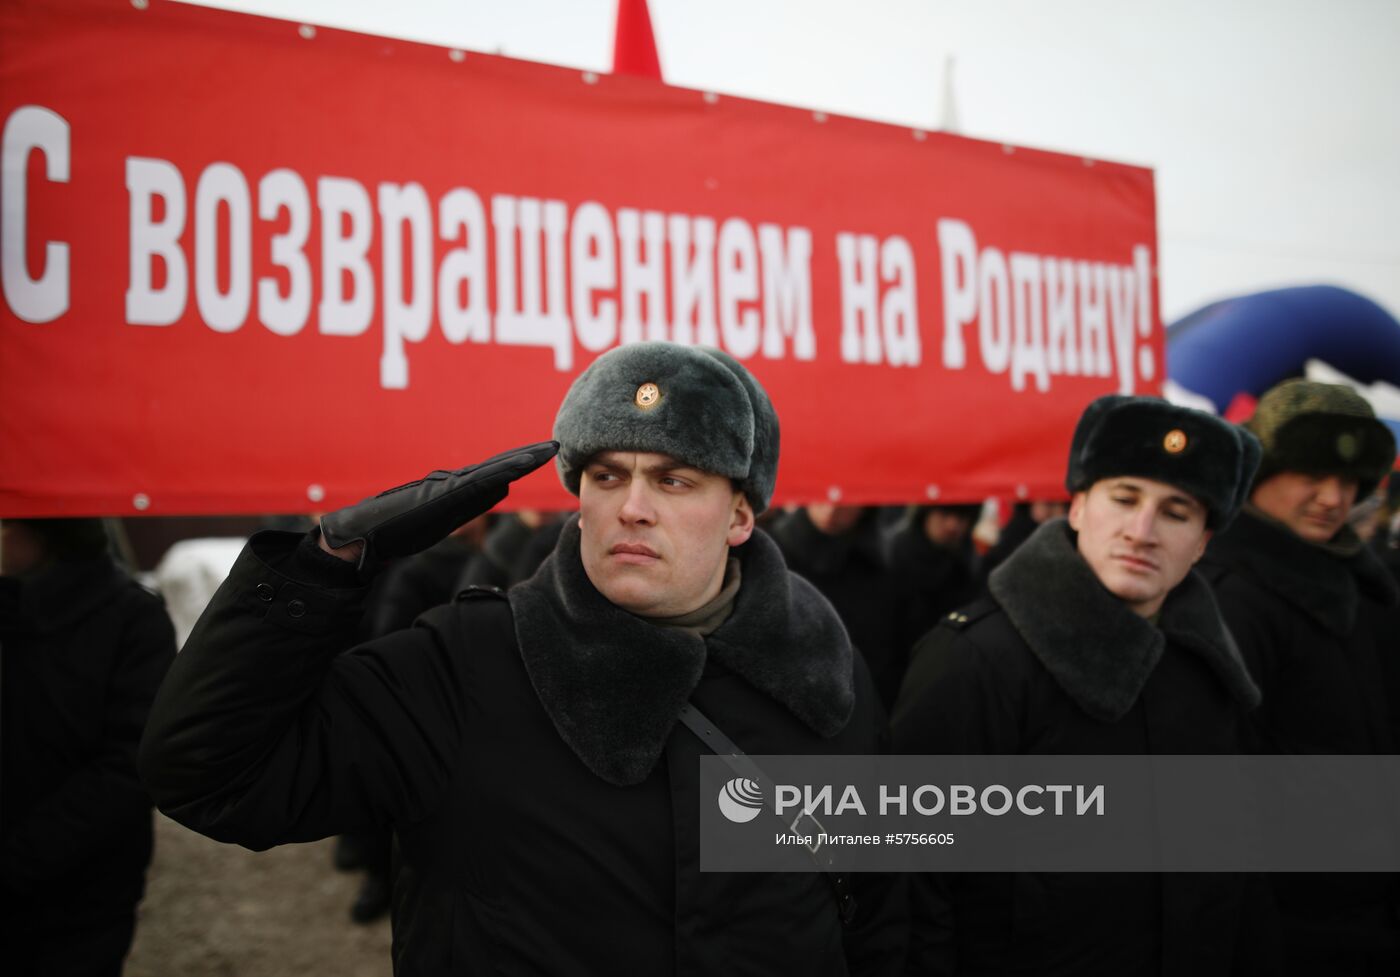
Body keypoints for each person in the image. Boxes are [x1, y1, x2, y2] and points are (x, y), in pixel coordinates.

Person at [138, 342, 901, 975]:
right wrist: (324, 567)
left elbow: (874, 908)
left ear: (738, 513)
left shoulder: (820, 673)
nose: (632, 505)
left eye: (674, 479)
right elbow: (210, 774)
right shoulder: (469, 662)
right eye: (607, 475)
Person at [891, 395, 1271, 976]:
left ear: (1202, 543)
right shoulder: (975, 660)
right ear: (1076, 507)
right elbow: (913, 883)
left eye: (1176, 512)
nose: (1141, 531)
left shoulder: (1214, 669)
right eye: (1124, 498)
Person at [1199, 379, 1399, 973]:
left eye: (1349, 481)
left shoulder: (1367, 586)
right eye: (1310, 474)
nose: (1333, 498)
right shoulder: (1224, 596)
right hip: (1291, 918)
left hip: (1368, 901)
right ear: (1261, 473)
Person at [1, 518, 177, 977]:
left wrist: (17, 858)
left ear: (50, 530)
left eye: (3, 523)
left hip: (84, 893)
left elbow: (134, 764)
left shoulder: (132, 617)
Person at [769, 505, 905, 711]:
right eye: (824, 494)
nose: (831, 510)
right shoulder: (774, 553)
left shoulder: (879, 567)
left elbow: (884, 650)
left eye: (843, 502)